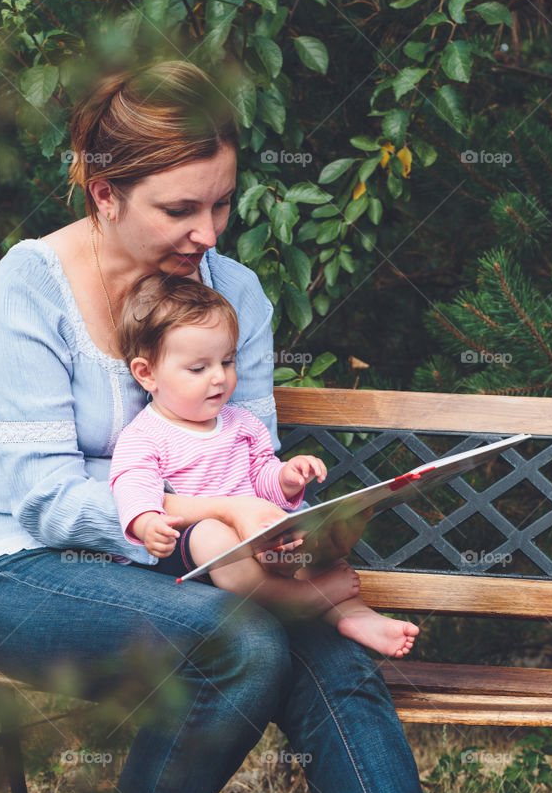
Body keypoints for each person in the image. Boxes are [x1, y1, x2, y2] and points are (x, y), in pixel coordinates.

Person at [0, 59, 552, 793]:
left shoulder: (234, 292)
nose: (209, 232)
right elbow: (44, 496)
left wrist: (275, 530)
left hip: (200, 572)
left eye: (224, 202)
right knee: (237, 642)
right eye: (178, 208)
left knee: (325, 654)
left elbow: (245, 456)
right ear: (102, 192)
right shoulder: (27, 285)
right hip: (27, 573)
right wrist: (189, 532)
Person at [109, 273, 419, 658]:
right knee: (212, 535)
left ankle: (355, 617)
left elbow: (260, 477)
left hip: (257, 543)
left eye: (226, 361)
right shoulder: (145, 434)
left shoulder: (242, 424)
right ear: (147, 374)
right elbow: (132, 484)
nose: (219, 377)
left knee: (302, 541)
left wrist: (287, 478)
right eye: (198, 368)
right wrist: (145, 522)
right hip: (191, 556)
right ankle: (296, 601)